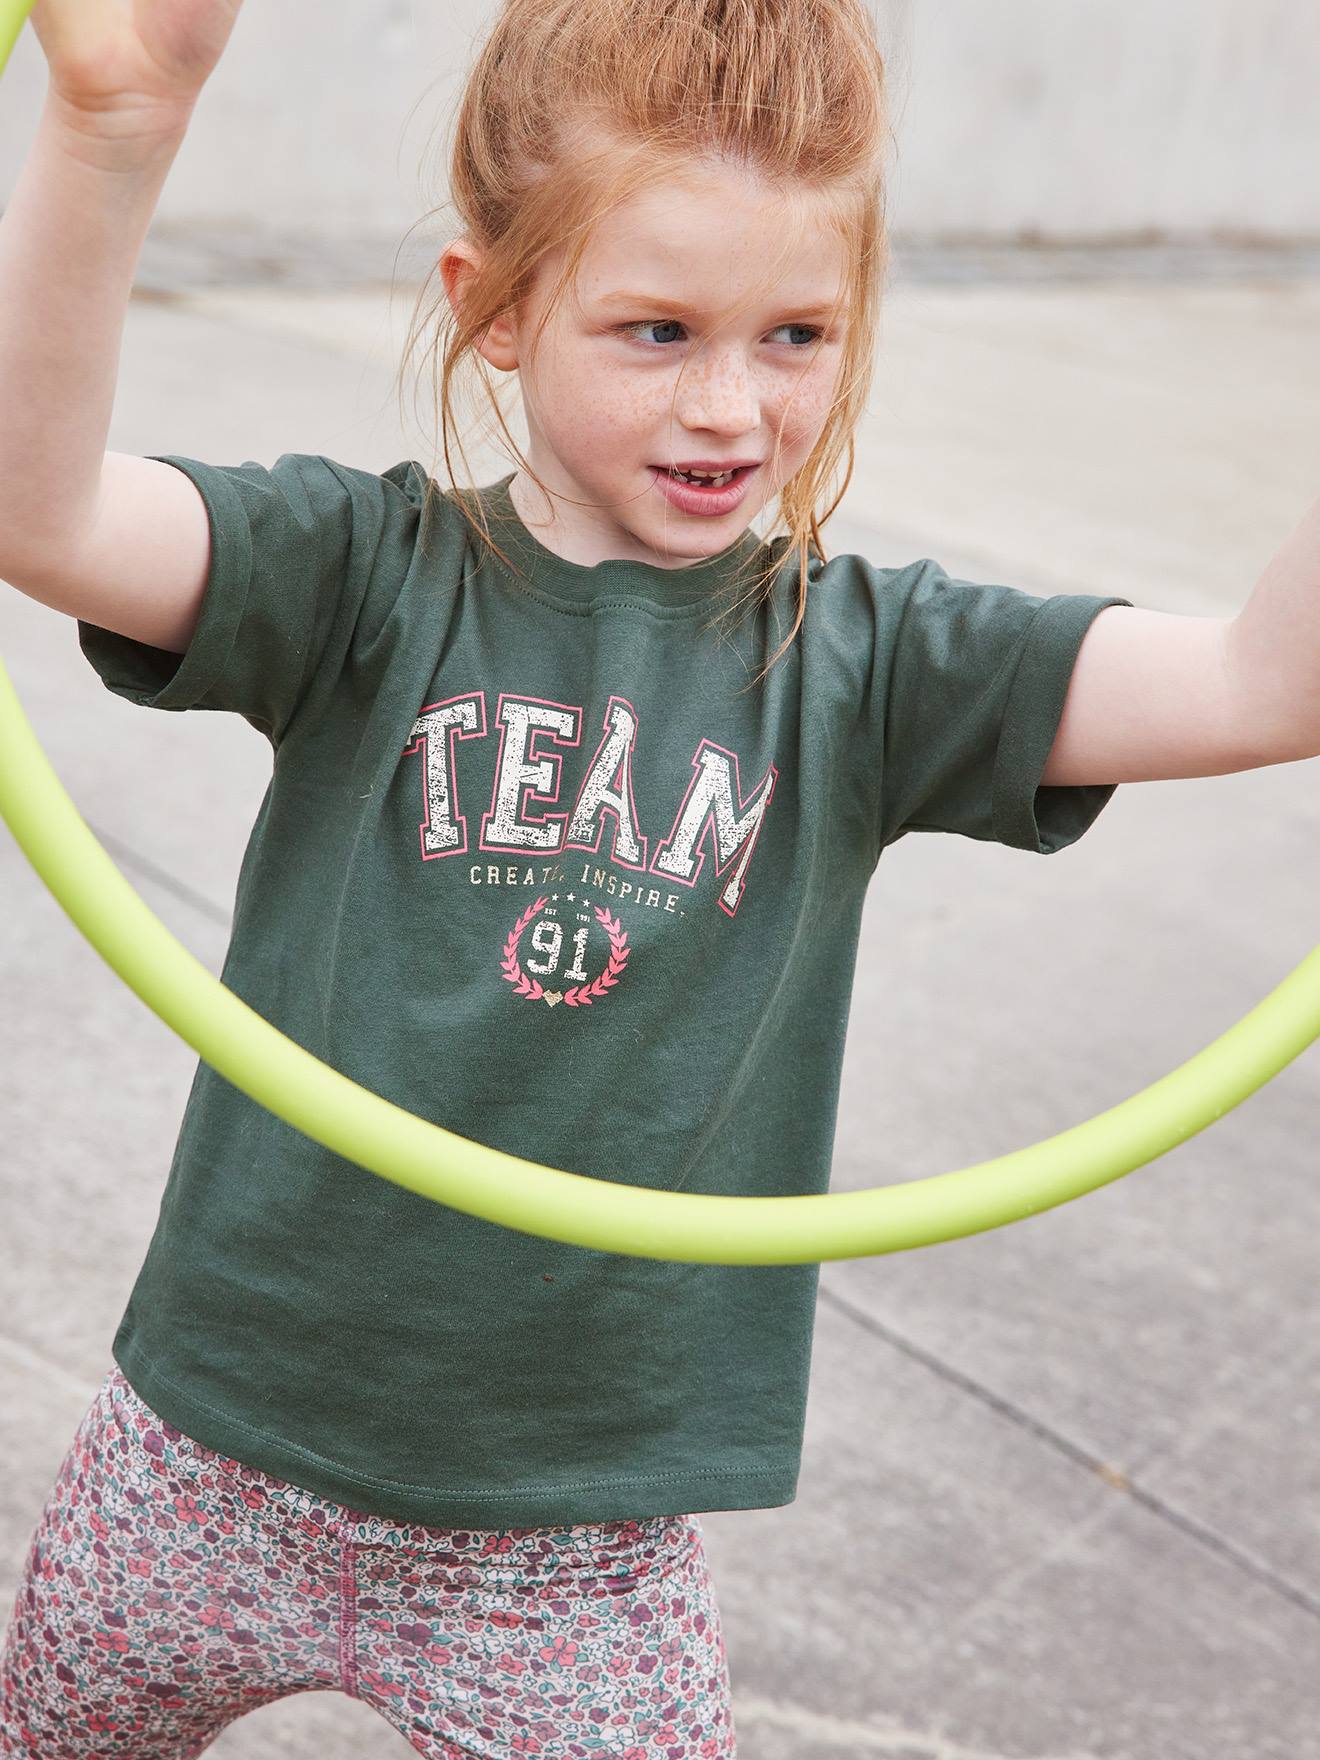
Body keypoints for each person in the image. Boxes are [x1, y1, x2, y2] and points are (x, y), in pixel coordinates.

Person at [2, 0, 1318, 1755]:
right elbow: (45, 517)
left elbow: (1262, 686)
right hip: (211, 1446)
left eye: (796, 334)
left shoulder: (874, 667)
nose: (729, 404)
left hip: (574, 1545)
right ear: (491, 307)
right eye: (656, 329)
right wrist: (112, 133)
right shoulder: (361, 578)